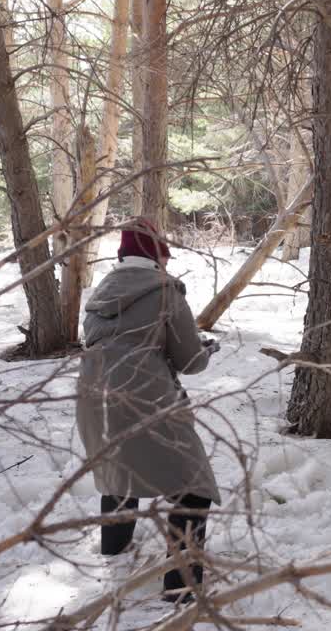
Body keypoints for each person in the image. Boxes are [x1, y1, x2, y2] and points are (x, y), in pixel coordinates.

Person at [76, 218, 221, 604]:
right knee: (193, 485)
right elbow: (189, 361)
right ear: (158, 256)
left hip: (93, 401)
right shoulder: (165, 291)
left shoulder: (99, 293)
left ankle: (115, 548)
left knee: (118, 463)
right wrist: (205, 349)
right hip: (147, 400)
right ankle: (181, 585)